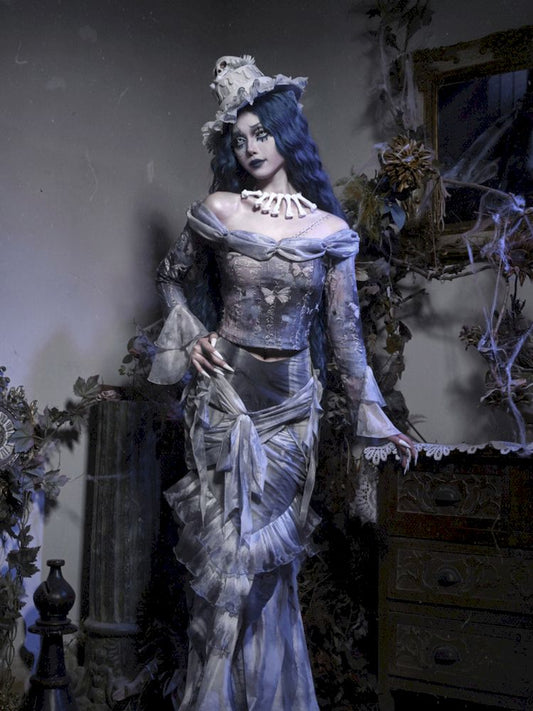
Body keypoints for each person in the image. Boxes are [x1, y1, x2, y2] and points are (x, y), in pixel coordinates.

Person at [148, 55, 416, 711]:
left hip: (292, 411)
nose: (250, 147)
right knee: (224, 567)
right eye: (239, 138)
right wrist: (193, 334)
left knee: (266, 571)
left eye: (261, 133)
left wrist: (378, 422)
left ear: (286, 133)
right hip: (224, 401)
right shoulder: (220, 209)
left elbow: (345, 336)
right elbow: (171, 277)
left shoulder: (328, 233)